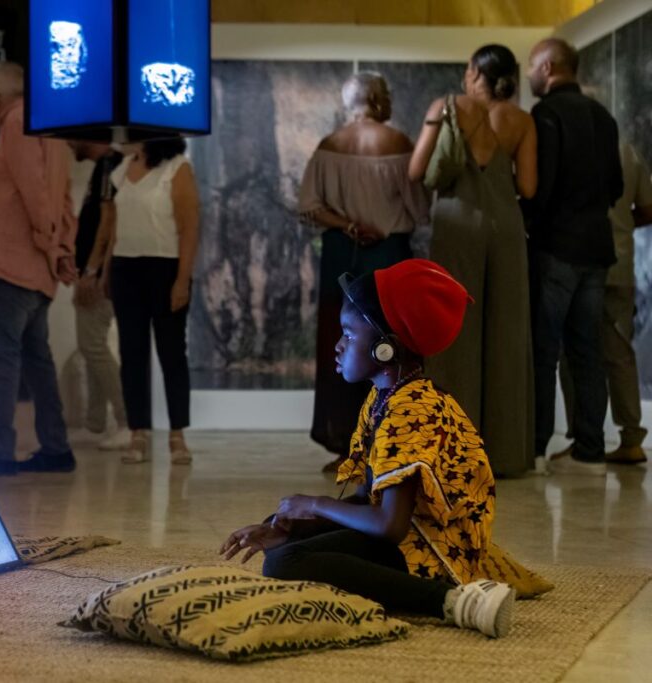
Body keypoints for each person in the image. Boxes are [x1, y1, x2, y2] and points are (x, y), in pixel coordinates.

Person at [220, 259, 517, 639]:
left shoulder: (411, 409)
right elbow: (368, 500)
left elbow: (390, 527)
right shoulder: (386, 397)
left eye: (348, 333)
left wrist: (312, 506)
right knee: (285, 531)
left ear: (385, 350)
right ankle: (293, 539)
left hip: (436, 551)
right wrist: (291, 528)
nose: (338, 345)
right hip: (407, 532)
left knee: (285, 563)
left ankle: (454, 600)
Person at [409, 44, 538, 478]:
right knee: (507, 336)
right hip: (505, 228)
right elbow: (530, 187)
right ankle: (503, 456)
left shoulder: (446, 106)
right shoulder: (521, 120)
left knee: (453, 332)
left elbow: (416, 170)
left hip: (456, 224)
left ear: (476, 72)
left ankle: (451, 451)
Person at [298, 71, 429, 473]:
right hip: (389, 257)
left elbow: (309, 207)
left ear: (348, 101)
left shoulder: (328, 146)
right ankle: (394, 440)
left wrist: (348, 225)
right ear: (381, 99)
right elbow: (419, 209)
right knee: (395, 348)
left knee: (342, 347)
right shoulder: (400, 144)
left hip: (342, 253)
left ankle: (346, 446)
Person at [0, 61, 77, 476]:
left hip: (8, 263)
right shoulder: (53, 128)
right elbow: (61, 198)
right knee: (37, 359)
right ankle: (56, 447)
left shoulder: (16, 121)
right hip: (36, 269)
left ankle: (0, 448)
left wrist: (51, 245)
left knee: (3, 359)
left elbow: (34, 192)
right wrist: (62, 249)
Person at [525, 38, 623, 476]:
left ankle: (536, 445)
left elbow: (540, 189)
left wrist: (527, 221)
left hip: (556, 248)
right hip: (597, 249)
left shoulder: (545, 114)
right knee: (587, 351)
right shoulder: (603, 116)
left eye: (532, 66)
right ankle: (591, 447)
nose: (529, 75)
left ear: (547, 67)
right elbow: (616, 187)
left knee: (545, 351)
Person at [557, 143, 652, 465]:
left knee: (574, 352)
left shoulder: (570, 146)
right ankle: (631, 435)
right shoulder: (628, 151)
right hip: (620, 262)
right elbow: (648, 208)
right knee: (618, 351)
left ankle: (584, 436)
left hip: (579, 260)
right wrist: (622, 223)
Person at [108, 136, 199, 465]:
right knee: (132, 353)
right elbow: (113, 226)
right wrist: (106, 270)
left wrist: (182, 278)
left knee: (172, 351)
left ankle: (177, 434)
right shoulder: (122, 169)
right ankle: (138, 431)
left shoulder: (177, 168)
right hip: (124, 266)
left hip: (165, 267)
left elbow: (190, 227)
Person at [68, 140, 130, 451]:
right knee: (92, 345)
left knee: (92, 345)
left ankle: (125, 420)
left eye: (71, 135)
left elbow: (110, 222)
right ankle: (95, 423)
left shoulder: (110, 164)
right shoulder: (104, 166)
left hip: (102, 275)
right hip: (100, 272)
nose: (67, 143)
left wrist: (93, 271)